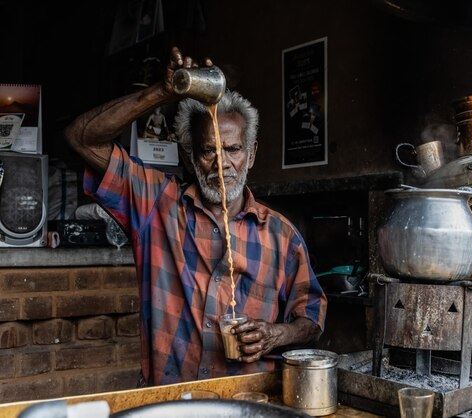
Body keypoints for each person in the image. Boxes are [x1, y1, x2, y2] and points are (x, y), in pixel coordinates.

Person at [64, 46, 327, 386]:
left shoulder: (282, 236)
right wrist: (162, 92)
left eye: (233, 150)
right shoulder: (156, 203)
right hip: (173, 401)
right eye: (209, 151)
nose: (222, 163)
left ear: (250, 155)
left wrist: (275, 334)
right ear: (189, 158)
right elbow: (81, 138)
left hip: (248, 401)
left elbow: (311, 319)